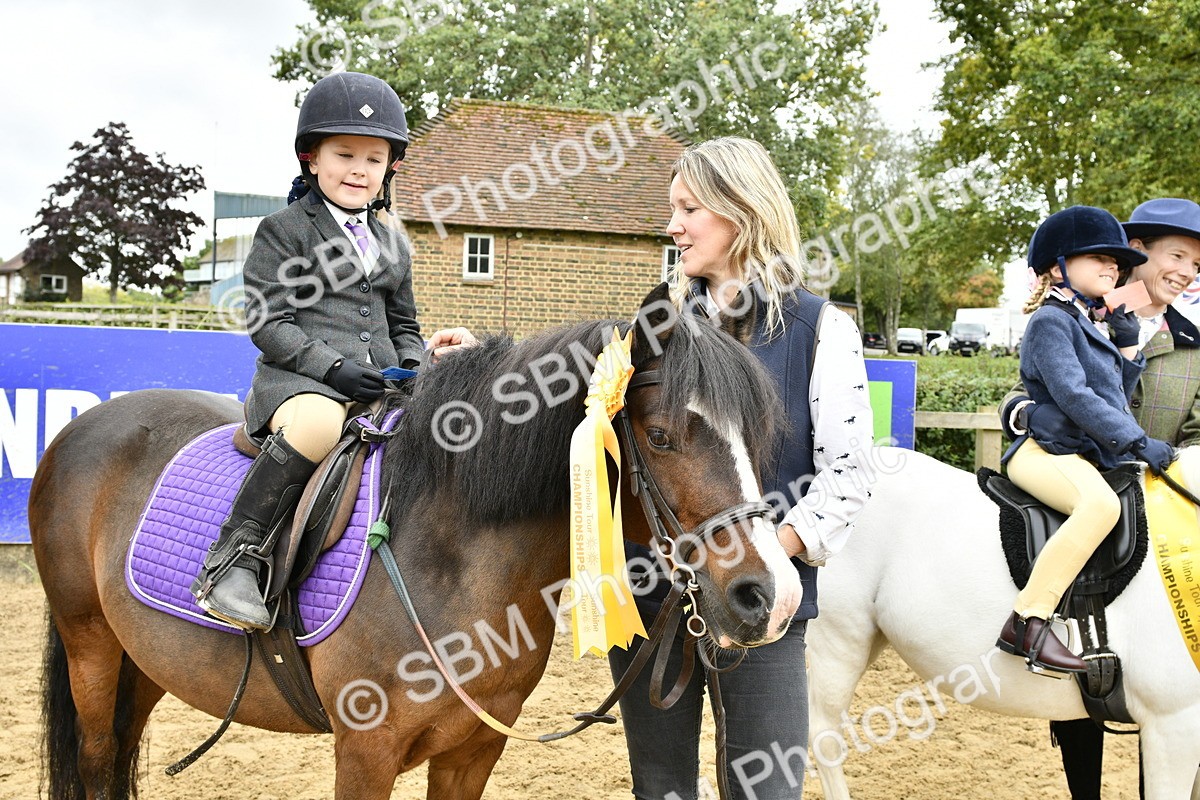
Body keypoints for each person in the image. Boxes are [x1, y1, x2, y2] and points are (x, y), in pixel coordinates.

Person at [608, 136, 875, 799]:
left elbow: (847, 475)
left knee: (766, 790)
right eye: (674, 209)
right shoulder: (653, 332)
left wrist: (756, 555)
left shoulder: (820, 329)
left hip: (762, 601)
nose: (673, 225)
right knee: (661, 788)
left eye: (689, 208)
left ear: (742, 209)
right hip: (655, 602)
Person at [191, 71, 475, 630]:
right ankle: (233, 560)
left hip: (376, 384)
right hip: (301, 384)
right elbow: (270, 321)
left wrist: (416, 371)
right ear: (312, 159)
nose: (358, 169)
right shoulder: (284, 230)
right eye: (344, 154)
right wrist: (333, 370)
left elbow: (404, 324)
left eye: (373, 158)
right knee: (319, 426)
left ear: (389, 168)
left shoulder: (393, 240)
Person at [1002, 197, 1200, 796]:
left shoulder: (1192, 346)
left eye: (1195, 264)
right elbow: (1032, 387)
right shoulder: (1083, 312)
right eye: (1176, 257)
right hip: (1082, 486)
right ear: (1137, 256)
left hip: (1159, 523)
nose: (1186, 272)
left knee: (1171, 700)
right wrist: (1023, 413)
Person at [996, 205, 1176, 676]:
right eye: (1098, 256)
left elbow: (1114, 398)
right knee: (1100, 507)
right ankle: (1028, 621)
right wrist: (1137, 442)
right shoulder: (1052, 321)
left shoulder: (1089, 322)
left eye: (1116, 262)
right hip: (1041, 453)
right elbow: (1075, 395)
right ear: (1058, 267)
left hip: (1075, 452)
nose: (1113, 267)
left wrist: (1128, 347)